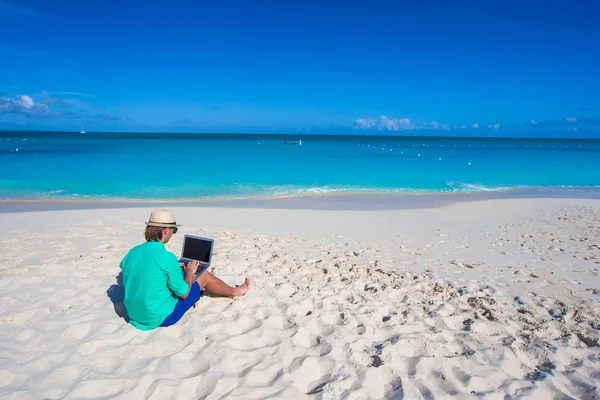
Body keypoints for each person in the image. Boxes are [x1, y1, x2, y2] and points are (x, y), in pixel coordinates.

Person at [120, 209, 250, 330]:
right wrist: (189, 273)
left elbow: (145, 271)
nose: (172, 233)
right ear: (165, 231)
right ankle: (235, 291)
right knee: (203, 275)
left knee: (177, 273)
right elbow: (184, 294)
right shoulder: (166, 257)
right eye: (173, 230)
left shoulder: (132, 253)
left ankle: (204, 284)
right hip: (159, 317)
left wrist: (175, 269)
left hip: (133, 313)